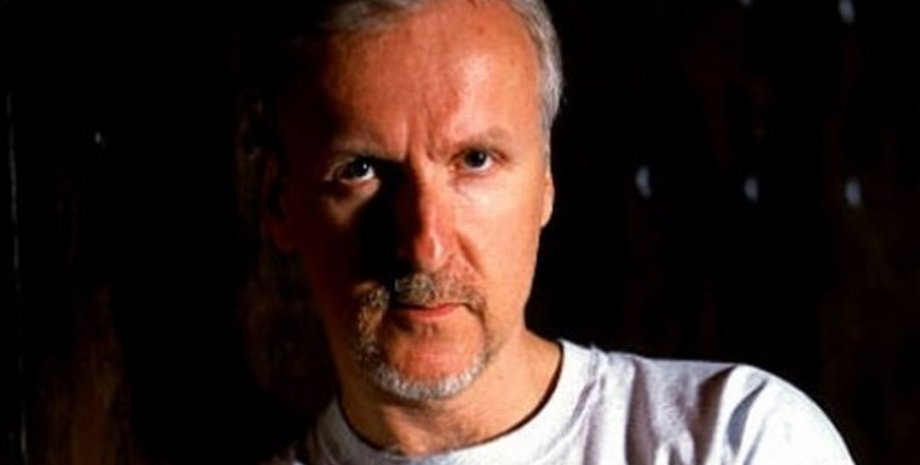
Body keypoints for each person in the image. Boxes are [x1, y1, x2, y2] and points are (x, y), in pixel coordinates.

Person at [258, 0, 856, 463]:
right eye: (360, 172)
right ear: (279, 204)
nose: (425, 246)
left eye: (475, 161)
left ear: (546, 184)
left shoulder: (738, 443)